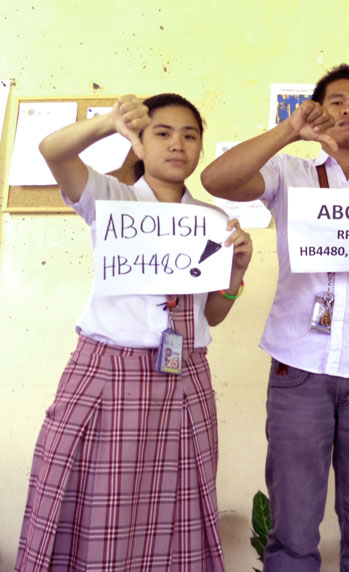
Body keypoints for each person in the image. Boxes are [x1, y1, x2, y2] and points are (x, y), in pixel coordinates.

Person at [201, 64, 349, 571]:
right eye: (336, 101)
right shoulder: (289, 174)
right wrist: (288, 131)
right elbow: (216, 178)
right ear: (318, 112)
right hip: (297, 365)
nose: (347, 109)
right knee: (292, 532)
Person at [16, 93, 252, 571]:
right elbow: (52, 150)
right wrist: (108, 122)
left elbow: (210, 318)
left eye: (190, 135)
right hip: (110, 373)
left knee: (178, 505)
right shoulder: (110, 200)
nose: (177, 144)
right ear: (139, 144)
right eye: (162, 133)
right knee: (99, 504)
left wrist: (235, 274)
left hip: (185, 376)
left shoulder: (212, 220)